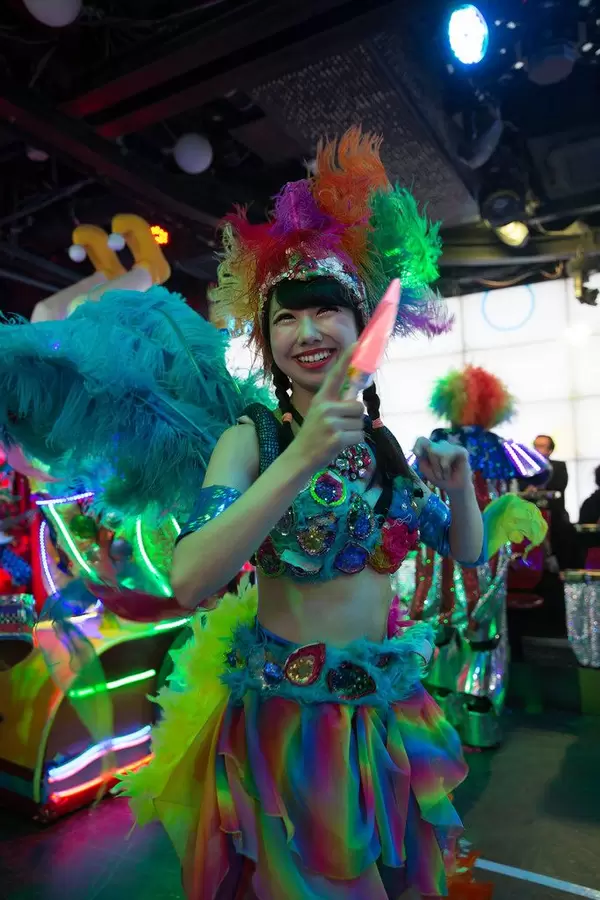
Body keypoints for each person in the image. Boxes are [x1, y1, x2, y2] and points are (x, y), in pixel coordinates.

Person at [0, 129, 501, 899]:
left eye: (325, 313)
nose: (306, 333)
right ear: (267, 343)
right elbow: (192, 577)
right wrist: (298, 459)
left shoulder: (386, 450)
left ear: (362, 324)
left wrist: (461, 485)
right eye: (285, 321)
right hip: (294, 727)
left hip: (390, 715)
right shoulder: (251, 440)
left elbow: (465, 553)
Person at [533, 435, 569, 507]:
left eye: (541, 446)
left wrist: (537, 487)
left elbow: (559, 486)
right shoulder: (525, 469)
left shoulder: (559, 466)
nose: (537, 449)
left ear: (550, 450)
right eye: (535, 446)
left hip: (553, 511)